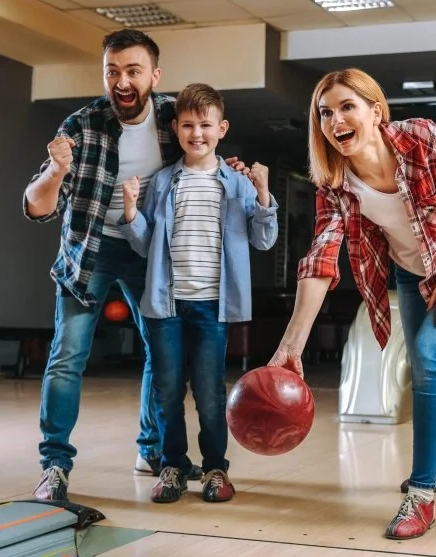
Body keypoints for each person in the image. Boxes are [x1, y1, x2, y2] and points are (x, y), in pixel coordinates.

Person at [267, 68, 436, 540]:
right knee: (428, 365)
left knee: (427, 355)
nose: (335, 120)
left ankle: (421, 496)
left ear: (375, 111)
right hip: (412, 271)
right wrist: (289, 347)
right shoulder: (334, 186)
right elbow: (320, 262)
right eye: (324, 113)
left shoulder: (420, 138)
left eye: (346, 107)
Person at [22, 29, 247, 501]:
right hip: (91, 251)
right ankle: (55, 466)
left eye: (132, 71)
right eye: (112, 71)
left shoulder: (173, 115)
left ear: (154, 76)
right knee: (67, 357)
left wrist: (242, 179)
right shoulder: (80, 126)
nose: (121, 81)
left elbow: (204, 151)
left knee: (159, 353)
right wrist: (57, 169)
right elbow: (37, 207)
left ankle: (152, 448)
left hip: (150, 252)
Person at [119, 83, 278, 504]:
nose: (197, 134)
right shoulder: (163, 182)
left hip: (213, 306)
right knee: (167, 390)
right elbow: (144, 242)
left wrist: (263, 193)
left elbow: (264, 240)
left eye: (205, 125)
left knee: (209, 392)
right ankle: (172, 466)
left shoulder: (238, 185)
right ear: (176, 128)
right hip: (165, 304)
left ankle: (214, 470)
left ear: (221, 128)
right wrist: (132, 210)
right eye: (188, 125)